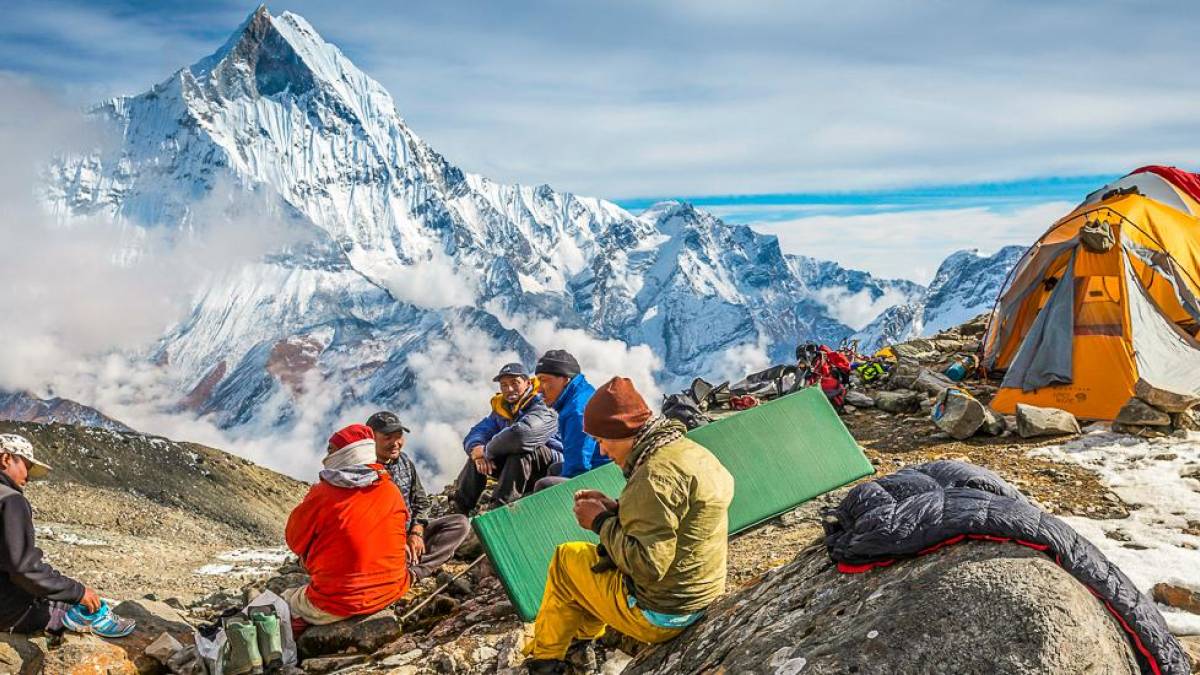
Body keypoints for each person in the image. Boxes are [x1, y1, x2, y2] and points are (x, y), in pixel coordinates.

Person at [523, 378, 735, 673]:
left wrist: (599, 522)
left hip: (663, 614)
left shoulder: (652, 476)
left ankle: (546, 661)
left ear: (622, 432)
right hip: (703, 590)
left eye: (602, 441)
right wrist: (617, 510)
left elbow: (647, 565)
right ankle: (580, 645)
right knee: (593, 561)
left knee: (566, 560)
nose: (604, 452)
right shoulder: (687, 451)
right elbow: (675, 515)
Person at [0, 434, 134, 638]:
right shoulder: (11, 500)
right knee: (83, 611)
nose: (28, 476)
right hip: (9, 611)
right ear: (6, 459)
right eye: (26, 465)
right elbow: (23, 567)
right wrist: (78, 592)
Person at [284, 425, 408, 629]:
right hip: (393, 589)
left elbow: (294, 541)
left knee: (285, 602)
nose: (327, 455)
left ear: (345, 453)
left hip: (339, 602)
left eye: (331, 450)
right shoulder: (391, 489)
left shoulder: (323, 494)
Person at [365, 412, 470, 582]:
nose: (395, 443)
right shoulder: (363, 471)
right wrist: (398, 541)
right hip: (384, 539)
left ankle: (413, 572)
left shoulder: (404, 462)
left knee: (460, 524)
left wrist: (416, 532)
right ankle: (406, 566)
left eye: (399, 436)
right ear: (371, 438)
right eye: (387, 437)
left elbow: (421, 501)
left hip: (410, 531)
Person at [452, 363, 561, 513]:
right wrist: (477, 449)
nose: (509, 389)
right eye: (504, 385)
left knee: (523, 450)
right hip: (518, 471)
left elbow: (522, 436)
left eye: (515, 383)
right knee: (475, 456)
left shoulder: (543, 403)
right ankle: (459, 510)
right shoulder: (502, 409)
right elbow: (479, 431)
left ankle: (499, 508)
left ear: (528, 383)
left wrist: (487, 451)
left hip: (550, 466)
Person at [531, 350, 609, 492]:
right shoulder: (582, 395)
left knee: (543, 486)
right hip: (605, 468)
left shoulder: (576, 411)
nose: (539, 390)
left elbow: (578, 467)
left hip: (608, 475)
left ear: (565, 379)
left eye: (544, 380)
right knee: (556, 468)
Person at [797, 343, 851, 413]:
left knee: (817, 389)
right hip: (828, 383)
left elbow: (823, 374)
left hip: (832, 384)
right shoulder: (813, 362)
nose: (802, 359)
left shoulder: (820, 359)